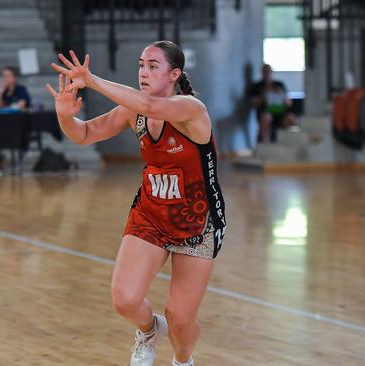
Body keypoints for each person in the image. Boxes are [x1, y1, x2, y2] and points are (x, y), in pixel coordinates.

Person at [46, 41, 226, 366]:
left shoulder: (190, 109)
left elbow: (151, 105)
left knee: (181, 320)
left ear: (175, 74)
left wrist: (92, 80)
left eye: (152, 66)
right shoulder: (134, 111)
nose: (143, 72)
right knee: (125, 299)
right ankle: (149, 330)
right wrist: (64, 115)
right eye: (141, 65)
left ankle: (183, 361)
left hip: (197, 221)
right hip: (151, 214)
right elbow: (85, 134)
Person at [249, 64, 297, 142]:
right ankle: (266, 143)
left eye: (268, 71)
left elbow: (289, 103)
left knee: (291, 118)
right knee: (266, 117)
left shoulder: (279, 85)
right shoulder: (257, 86)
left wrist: (282, 95)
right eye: (265, 71)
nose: (267, 73)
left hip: (280, 113)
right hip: (266, 113)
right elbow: (254, 104)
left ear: (272, 72)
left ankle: (286, 141)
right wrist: (263, 95)